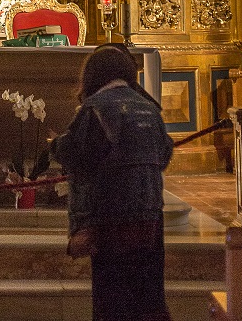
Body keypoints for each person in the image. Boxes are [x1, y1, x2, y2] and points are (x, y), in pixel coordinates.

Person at [49, 44, 173, 321]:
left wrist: (56, 145)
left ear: (93, 75)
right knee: (149, 297)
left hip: (112, 218)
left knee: (113, 300)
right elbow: (164, 154)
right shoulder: (150, 108)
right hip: (150, 218)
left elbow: (78, 155)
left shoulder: (97, 108)